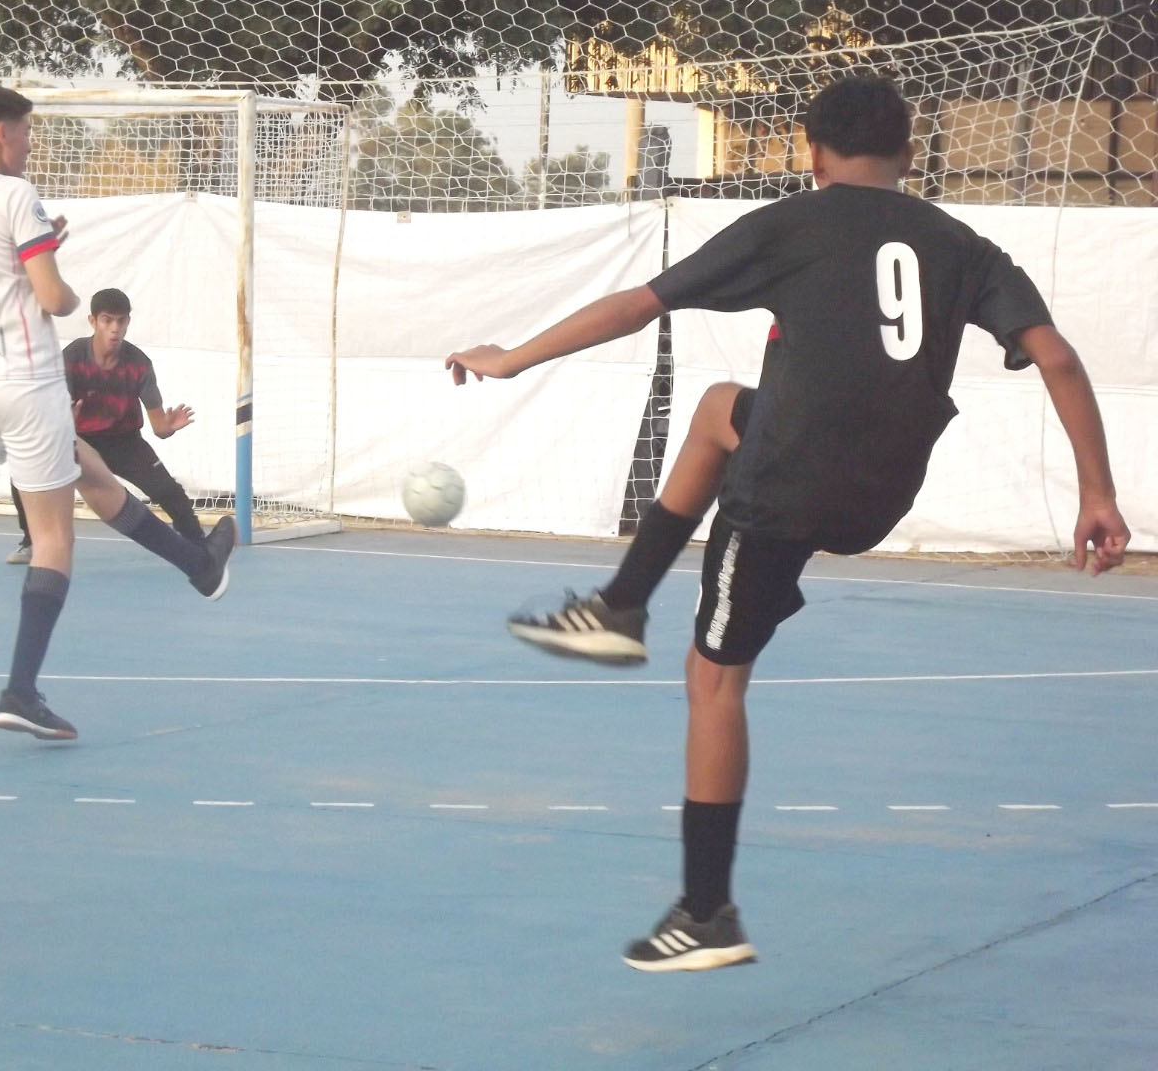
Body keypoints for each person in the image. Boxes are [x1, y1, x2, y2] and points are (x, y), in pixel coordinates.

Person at [445, 75, 1129, 973]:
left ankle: (705, 913)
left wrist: (514, 357)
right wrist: (1097, 494)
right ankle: (620, 606)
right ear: (908, 154)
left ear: (809, 151)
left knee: (714, 681)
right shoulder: (964, 244)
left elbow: (638, 305)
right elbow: (1060, 359)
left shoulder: (791, 225)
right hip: (881, 492)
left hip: (787, 487)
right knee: (721, 406)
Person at [0, 84, 235, 743]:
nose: (32, 144)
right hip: (20, 381)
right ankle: (21, 690)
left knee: (89, 469)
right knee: (56, 538)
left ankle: (197, 566)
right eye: (27, 132)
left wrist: (29, 258)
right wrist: (50, 274)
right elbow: (56, 299)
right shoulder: (13, 195)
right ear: (1, 132)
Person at [6, 288, 208, 564]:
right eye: (107, 320)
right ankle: (31, 543)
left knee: (168, 491)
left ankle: (198, 546)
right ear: (93, 321)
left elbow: (159, 428)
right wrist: (64, 420)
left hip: (124, 442)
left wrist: (169, 426)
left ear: (127, 323)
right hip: (78, 439)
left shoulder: (139, 364)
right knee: (24, 473)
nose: (115, 329)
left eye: (121, 321)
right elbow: (56, 410)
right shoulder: (72, 358)